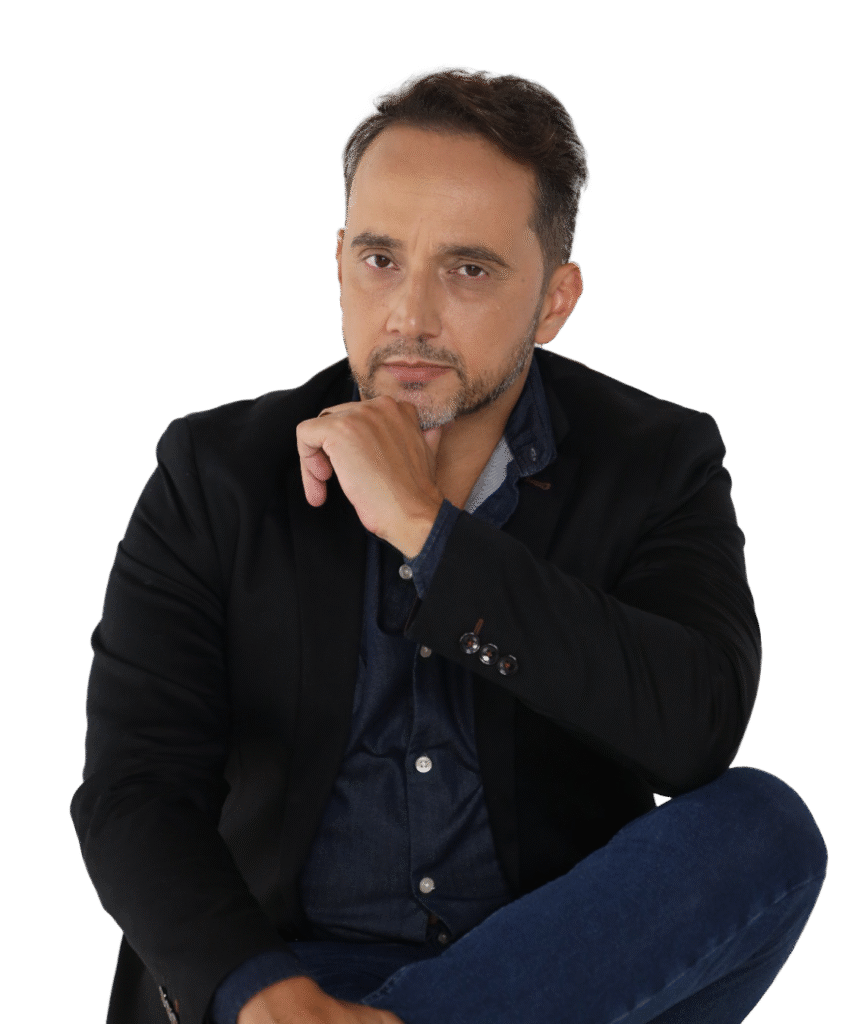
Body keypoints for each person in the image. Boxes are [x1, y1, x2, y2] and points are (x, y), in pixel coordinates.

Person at [70, 67, 827, 1024]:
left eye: (468, 270)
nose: (409, 315)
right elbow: (133, 793)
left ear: (554, 300)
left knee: (765, 826)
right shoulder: (215, 472)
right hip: (281, 976)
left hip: (542, 980)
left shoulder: (657, 460)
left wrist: (428, 532)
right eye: (380, 259)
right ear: (338, 259)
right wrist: (267, 996)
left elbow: (695, 733)